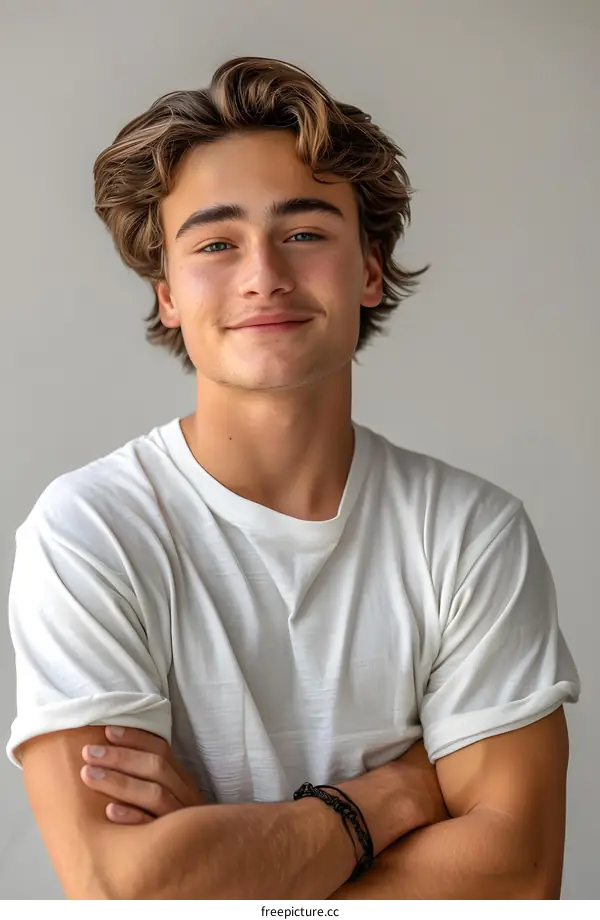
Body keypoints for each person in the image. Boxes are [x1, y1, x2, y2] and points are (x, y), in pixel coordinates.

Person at [6, 55, 580, 900]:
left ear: (370, 270)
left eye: (305, 232)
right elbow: (125, 889)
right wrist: (392, 794)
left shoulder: (468, 532)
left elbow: (520, 880)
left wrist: (236, 860)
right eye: (215, 242)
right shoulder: (89, 530)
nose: (264, 274)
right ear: (167, 292)